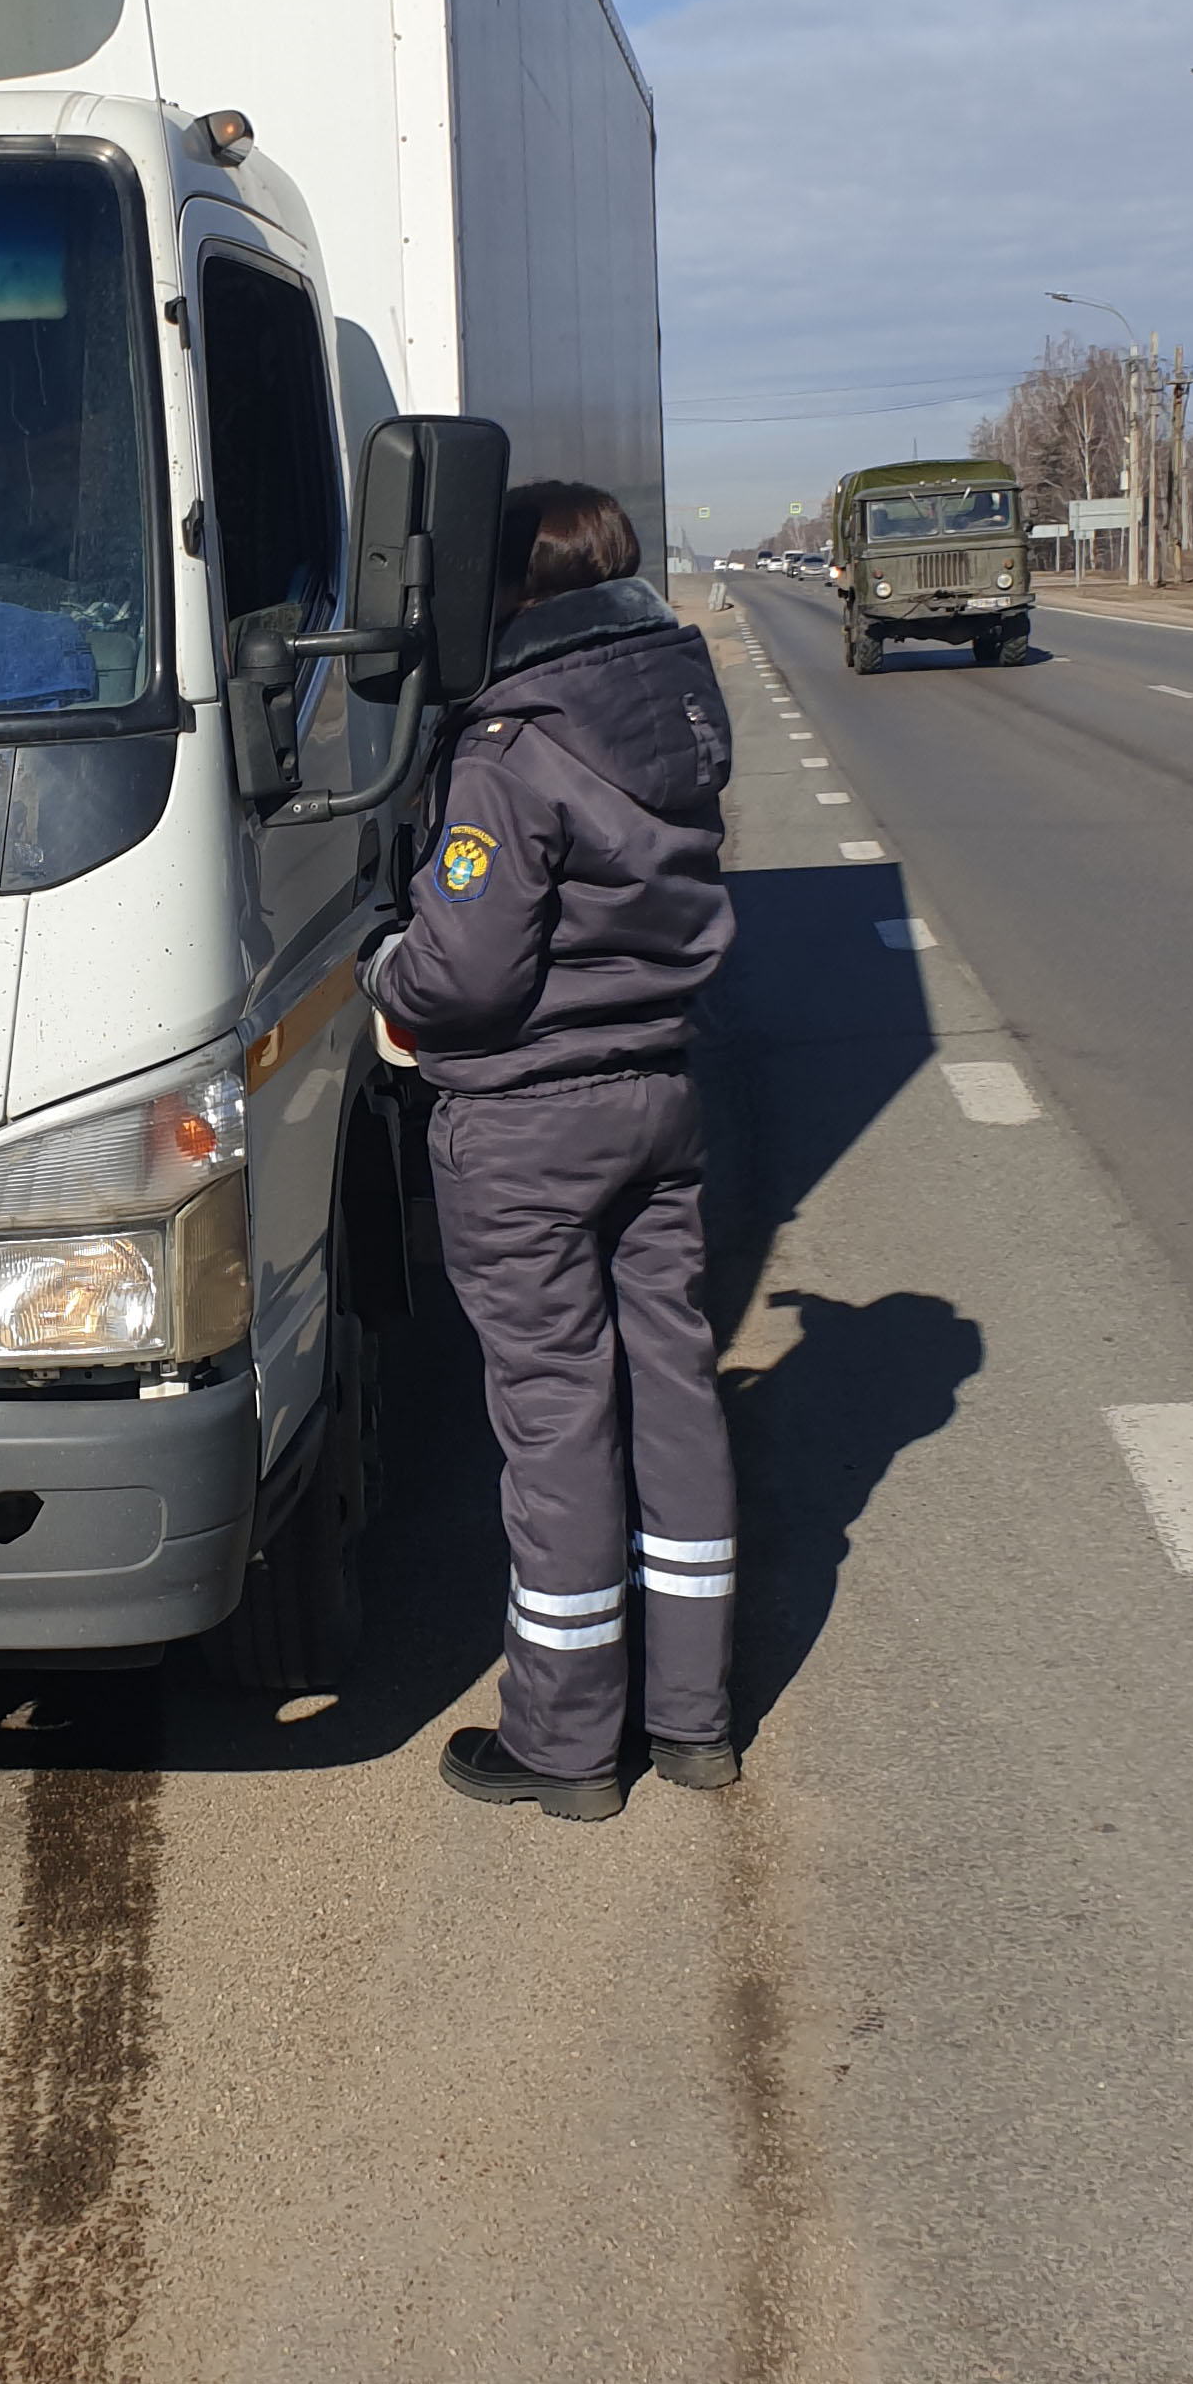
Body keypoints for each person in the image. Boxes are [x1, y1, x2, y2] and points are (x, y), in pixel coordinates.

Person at [361, 482, 738, 1820]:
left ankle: (569, 1745)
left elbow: (461, 976)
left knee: (557, 1414)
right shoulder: (675, 702)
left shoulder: (515, 744)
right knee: (676, 1388)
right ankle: (693, 1718)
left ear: (507, 592)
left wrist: (386, 974)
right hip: (660, 1092)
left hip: (528, 1121)